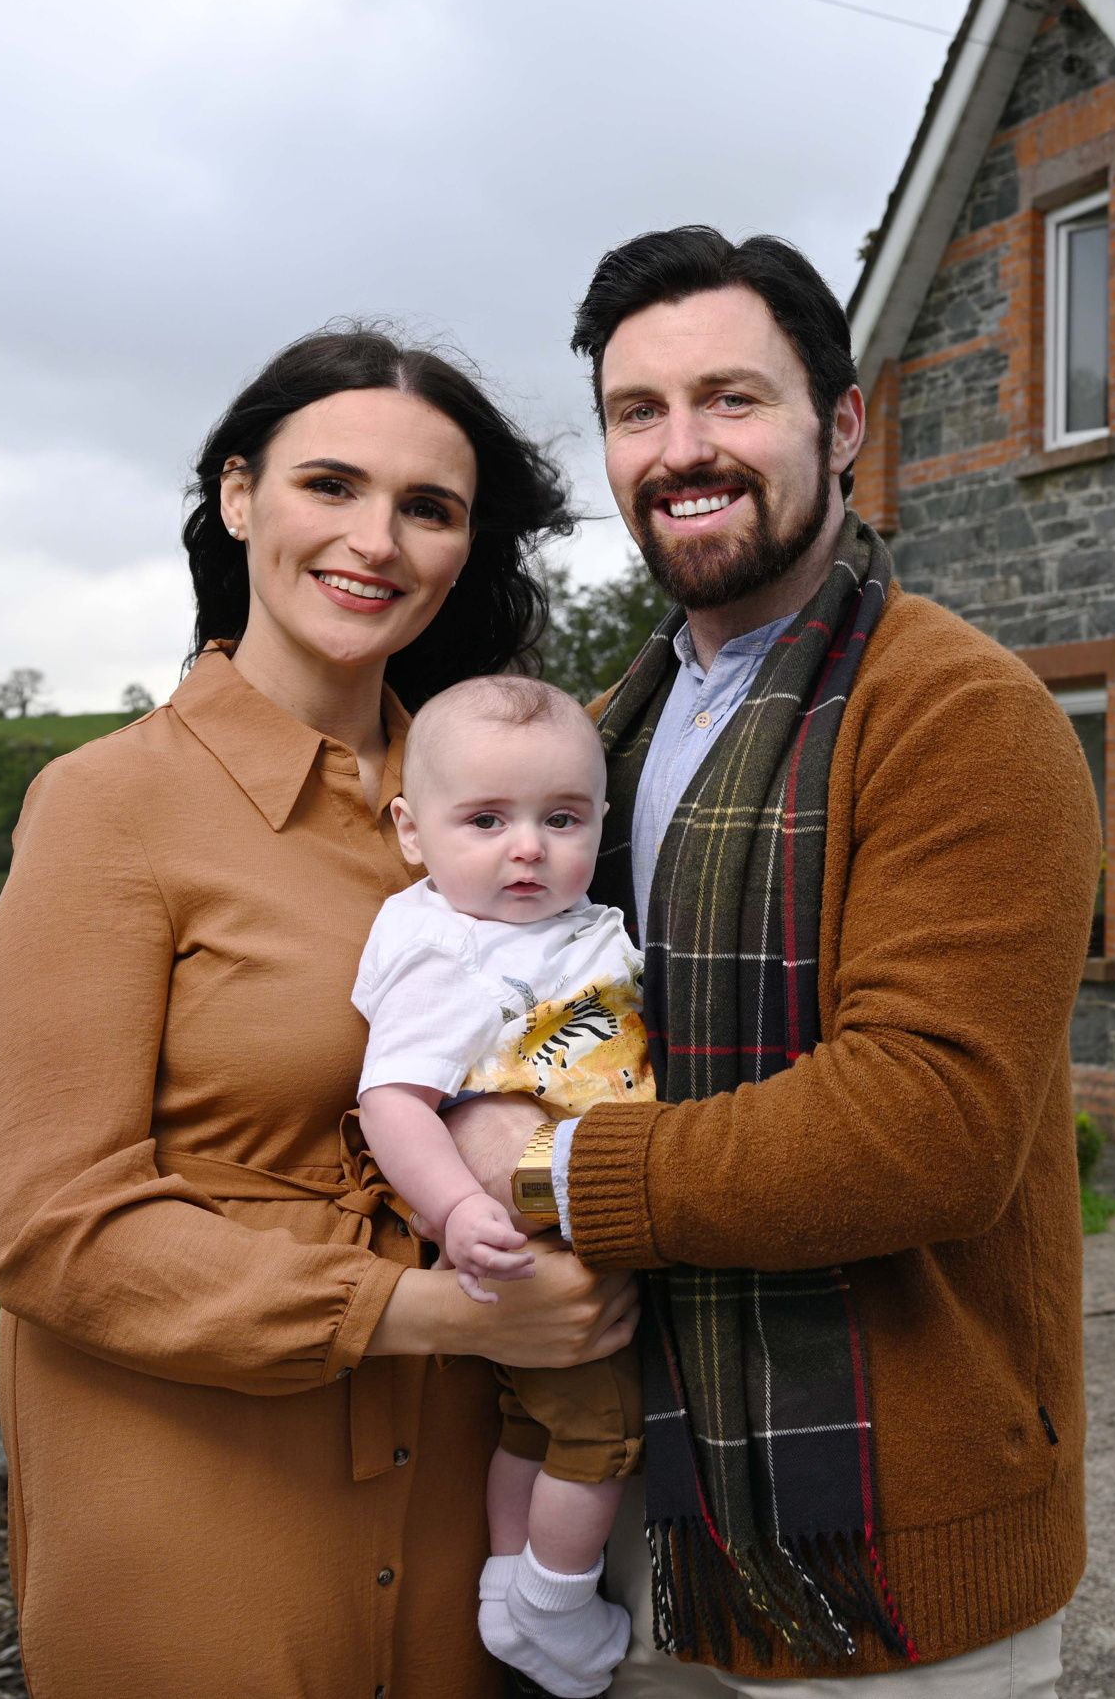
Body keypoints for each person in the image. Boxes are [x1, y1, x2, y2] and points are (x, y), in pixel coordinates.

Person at [445, 227, 1100, 1694]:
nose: (683, 449)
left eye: (732, 399)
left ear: (844, 423)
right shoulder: (602, 732)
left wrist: (545, 1176)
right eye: (638, 411)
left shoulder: (958, 712)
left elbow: (926, 1129)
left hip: (879, 1557)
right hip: (643, 1522)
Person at [0, 329, 638, 1698]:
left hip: (464, 1490)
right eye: (329, 484)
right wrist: (438, 1313)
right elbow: (54, 1228)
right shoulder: (110, 806)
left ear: (464, 548)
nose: (375, 539)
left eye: (428, 507)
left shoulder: (507, 802)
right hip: (198, 1488)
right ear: (237, 499)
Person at [354, 673, 653, 1697]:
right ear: (411, 829)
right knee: (600, 1430)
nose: (527, 846)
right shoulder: (449, 950)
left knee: (531, 1424)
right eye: (485, 819)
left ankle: (504, 1582)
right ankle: (554, 1606)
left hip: (584, 1210)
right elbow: (392, 1100)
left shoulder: (544, 928)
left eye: (560, 818)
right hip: (534, 1245)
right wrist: (457, 1206)